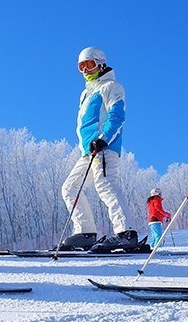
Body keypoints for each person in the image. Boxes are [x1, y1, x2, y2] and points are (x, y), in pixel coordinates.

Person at [58, 47, 142, 252]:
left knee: (106, 184)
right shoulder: (86, 93)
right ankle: (85, 232)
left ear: (101, 63)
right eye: (81, 67)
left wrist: (104, 139)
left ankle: (126, 233)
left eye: (90, 64)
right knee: (70, 188)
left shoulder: (112, 87)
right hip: (88, 151)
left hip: (105, 147)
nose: (86, 70)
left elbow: (117, 116)